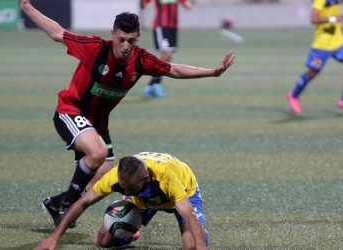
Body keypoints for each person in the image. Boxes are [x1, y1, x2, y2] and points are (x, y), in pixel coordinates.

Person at [21, 0, 234, 227]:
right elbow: (57, 33)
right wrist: (26, 6)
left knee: (104, 174)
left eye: (131, 41)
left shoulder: (141, 60)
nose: (125, 46)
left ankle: (56, 203)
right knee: (98, 153)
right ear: (113, 34)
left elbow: (173, 69)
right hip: (71, 111)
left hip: (99, 124)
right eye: (121, 40)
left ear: (138, 37)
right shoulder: (95, 48)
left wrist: (213, 72)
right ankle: (67, 208)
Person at [35, 152, 209, 250]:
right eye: (123, 188)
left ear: (146, 178)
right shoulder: (118, 178)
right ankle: (130, 232)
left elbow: (188, 213)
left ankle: (202, 234)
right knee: (103, 242)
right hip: (142, 198)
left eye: (129, 189)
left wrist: (201, 246)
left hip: (183, 193)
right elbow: (82, 203)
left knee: (192, 247)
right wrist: (54, 238)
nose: (125, 192)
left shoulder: (166, 177)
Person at [287, 0, 343, 115]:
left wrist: (339, 25)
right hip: (322, 45)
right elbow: (313, 19)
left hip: (338, 42)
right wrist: (334, 19)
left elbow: (332, 14)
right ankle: (294, 95)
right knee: (313, 72)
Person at [141, 0, 193, 98]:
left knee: (168, 56)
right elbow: (144, 3)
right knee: (167, 53)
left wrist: (188, 4)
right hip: (161, 25)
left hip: (173, 26)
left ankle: (153, 84)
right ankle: (155, 84)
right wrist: (143, 4)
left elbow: (187, 4)